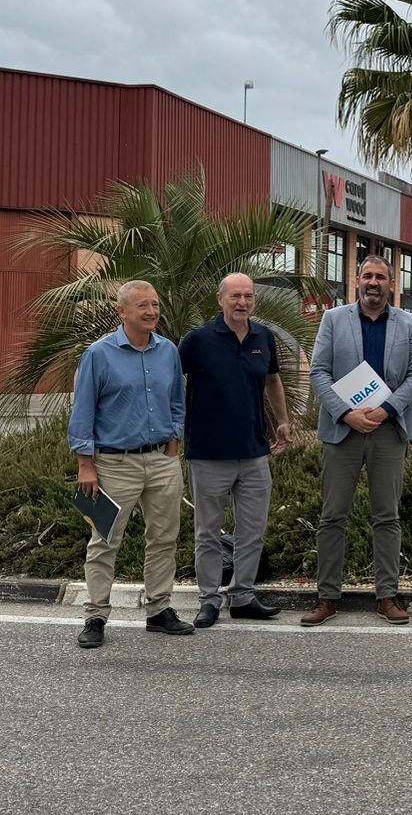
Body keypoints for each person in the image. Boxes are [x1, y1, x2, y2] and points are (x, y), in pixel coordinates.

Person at [68, 279, 191, 649]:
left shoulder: (168, 350)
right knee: (104, 540)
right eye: (143, 306)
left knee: (164, 537)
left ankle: (158, 610)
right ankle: (95, 616)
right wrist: (85, 465)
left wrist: (174, 440)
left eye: (155, 304)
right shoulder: (99, 354)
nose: (152, 311)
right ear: (122, 312)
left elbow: (177, 400)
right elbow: (82, 411)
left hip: (162, 461)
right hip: (110, 464)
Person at [306, 256, 412, 626]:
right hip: (343, 431)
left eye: (381, 277)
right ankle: (327, 597)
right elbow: (319, 371)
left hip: (389, 431)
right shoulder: (334, 319)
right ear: (357, 280)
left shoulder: (408, 324)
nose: (373, 282)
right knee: (332, 516)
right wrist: (347, 413)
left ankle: (387, 596)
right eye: (367, 276)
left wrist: (386, 409)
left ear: (392, 284)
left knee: (387, 516)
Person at [179, 272, 293, 628]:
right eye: (235, 296)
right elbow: (169, 383)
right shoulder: (198, 340)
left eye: (248, 297)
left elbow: (273, 380)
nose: (242, 302)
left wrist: (283, 421)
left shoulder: (264, 337)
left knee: (252, 529)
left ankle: (243, 595)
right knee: (208, 532)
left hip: (254, 451)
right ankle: (209, 598)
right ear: (220, 300)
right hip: (208, 453)